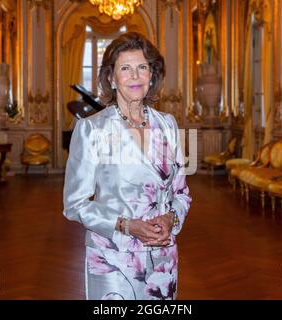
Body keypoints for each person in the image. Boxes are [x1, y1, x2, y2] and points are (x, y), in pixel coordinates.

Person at [63, 32, 192, 300]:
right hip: (113, 259)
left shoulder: (168, 125)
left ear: (152, 75)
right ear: (111, 78)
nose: (135, 76)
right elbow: (75, 204)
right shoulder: (92, 129)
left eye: (142, 67)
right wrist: (127, 225)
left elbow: (181, 193)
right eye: (125, 68)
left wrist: (171, 218)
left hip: (163, 258)